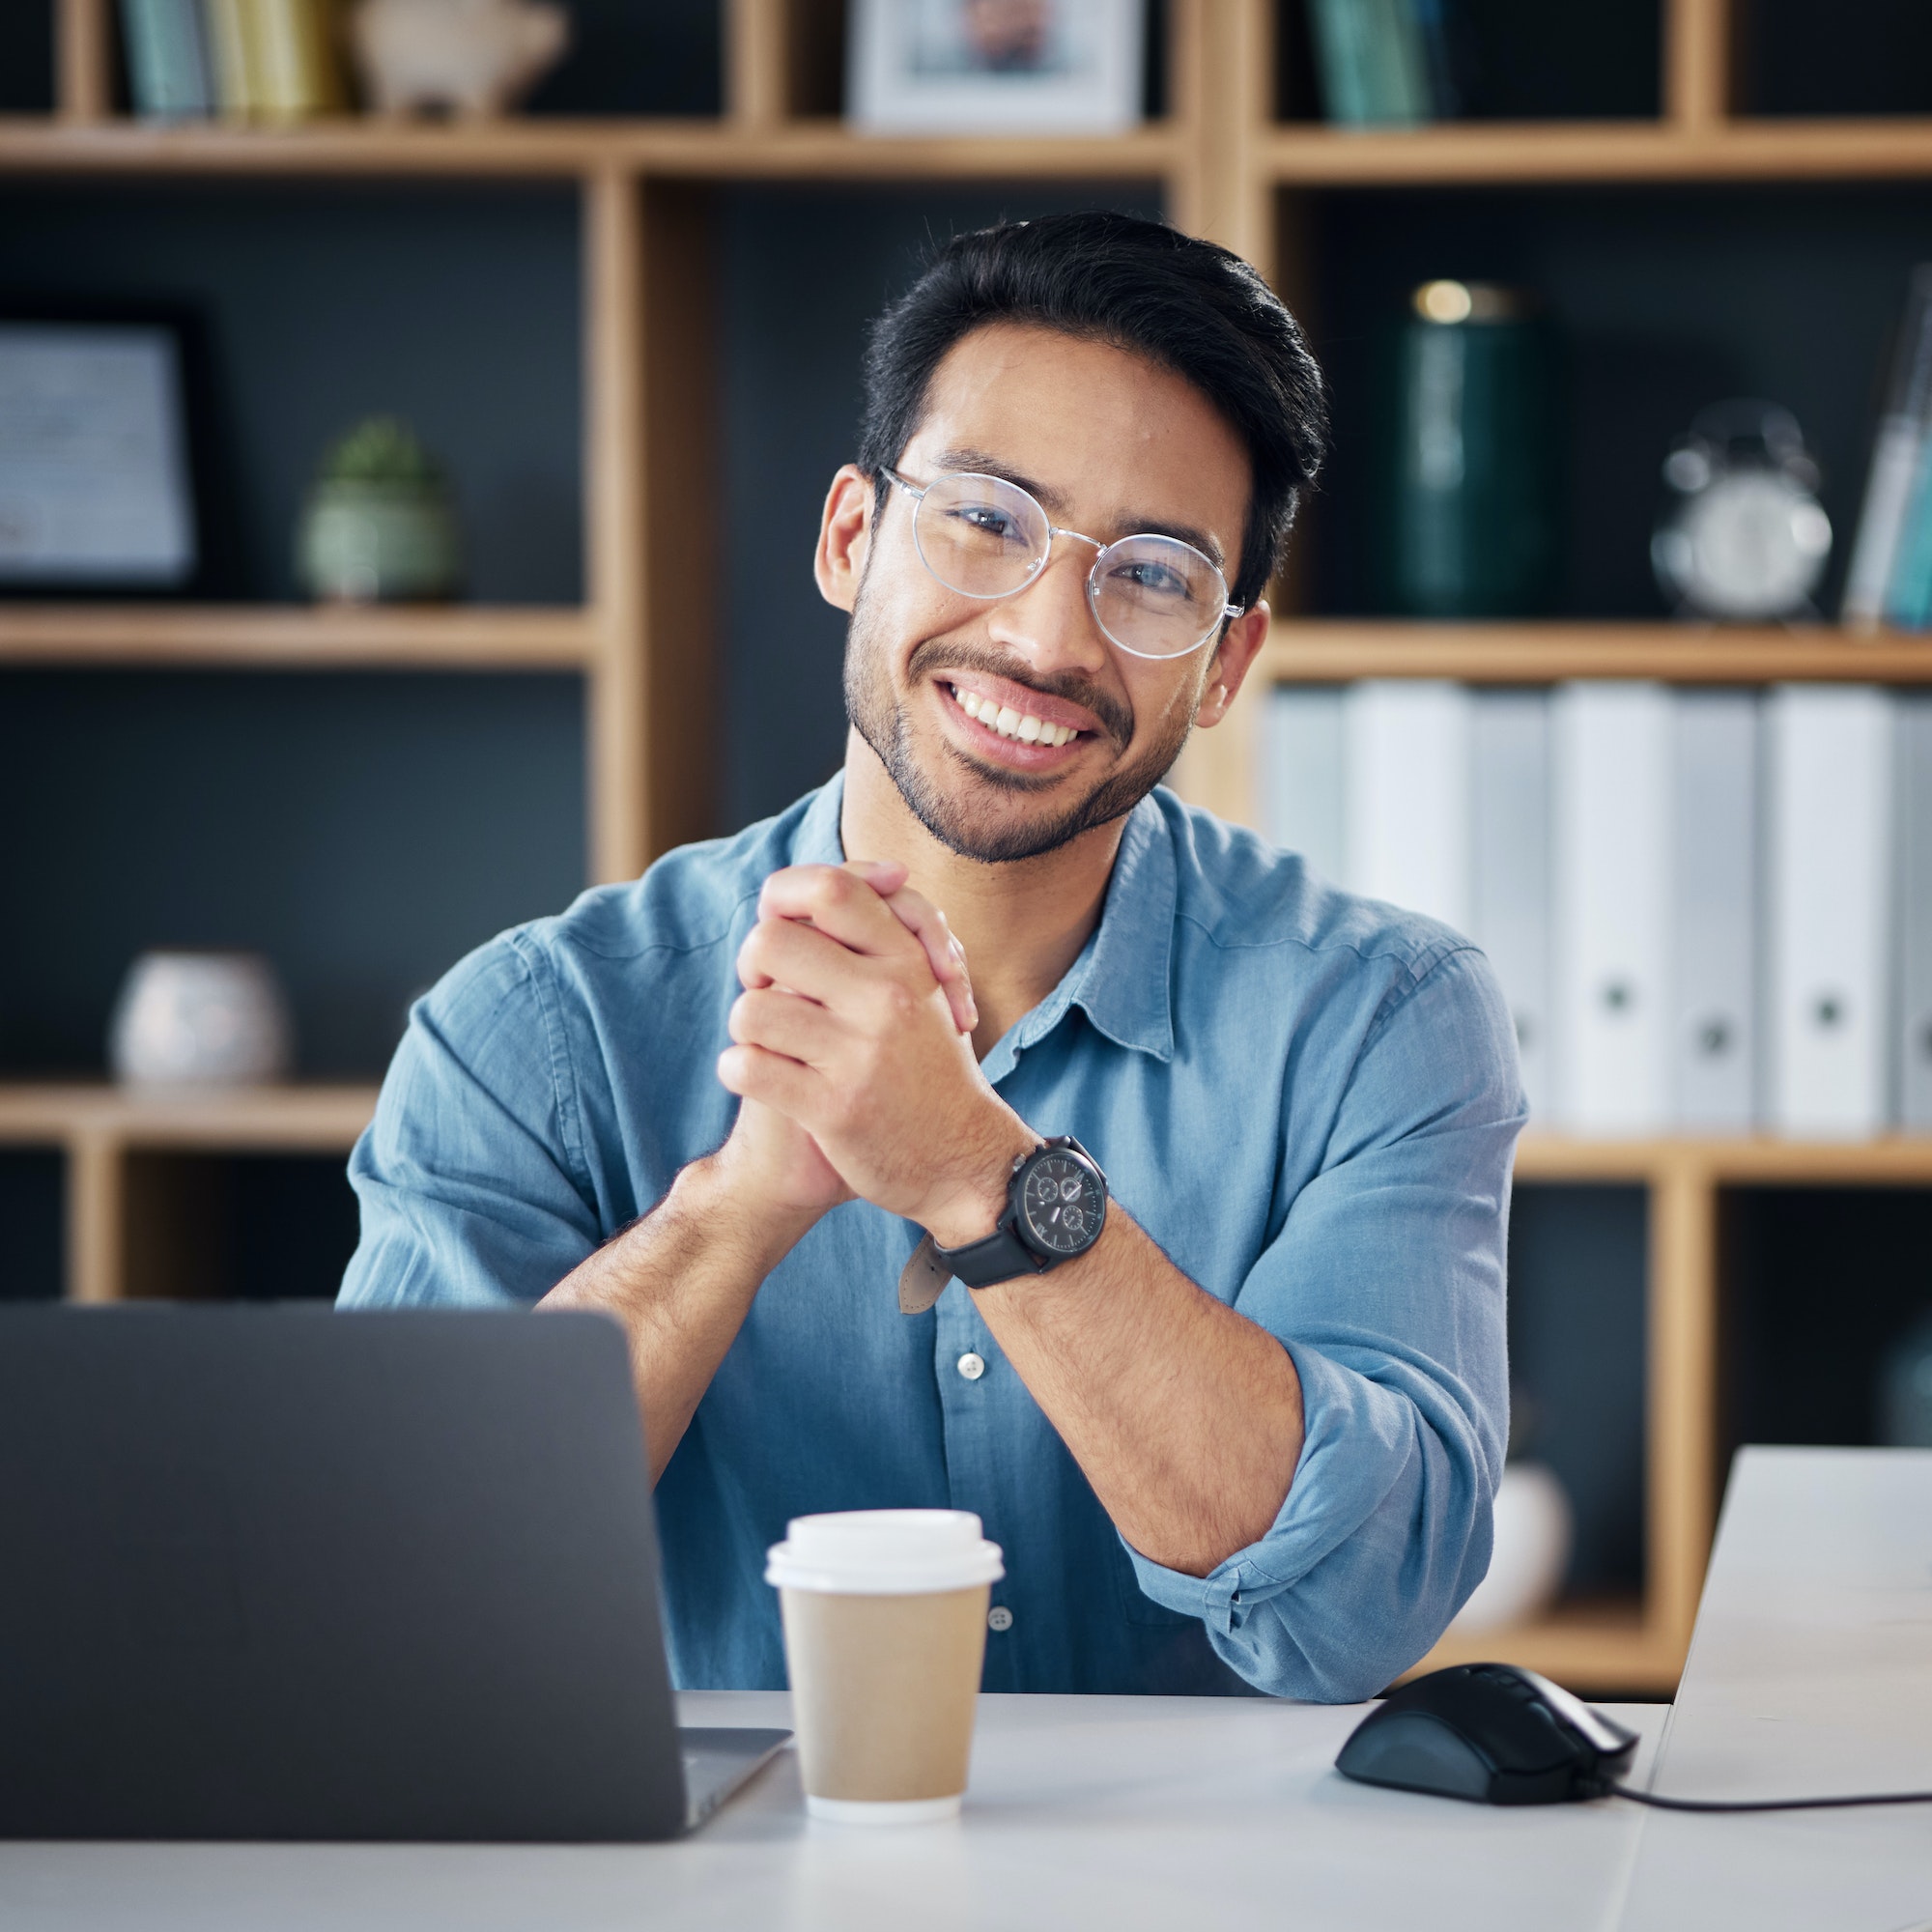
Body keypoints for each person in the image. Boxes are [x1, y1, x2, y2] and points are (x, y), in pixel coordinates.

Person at [339, 211, 1523, 1701]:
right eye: (985, 518)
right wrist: (735, 1212)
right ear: (852, 537)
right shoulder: (532, 1028)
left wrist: (981, 1179)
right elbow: (387, 1589)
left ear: (1225, 662)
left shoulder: (1383, 1020)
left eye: (1152, 575)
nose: (1044, 636)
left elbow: (1360, 1608)